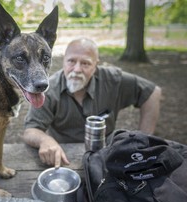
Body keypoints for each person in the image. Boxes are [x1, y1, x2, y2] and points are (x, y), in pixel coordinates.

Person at [23, 38, 162, 168]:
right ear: (64, 61)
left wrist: (144, 140)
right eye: (71, 61)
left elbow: (152, 92)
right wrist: (44, 140)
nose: (77, 69)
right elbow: (30, 130)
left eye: (85, 63)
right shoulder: (49, 89)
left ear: (96, 65)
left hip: (108, 157)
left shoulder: (112, 80)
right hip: (64, 158)